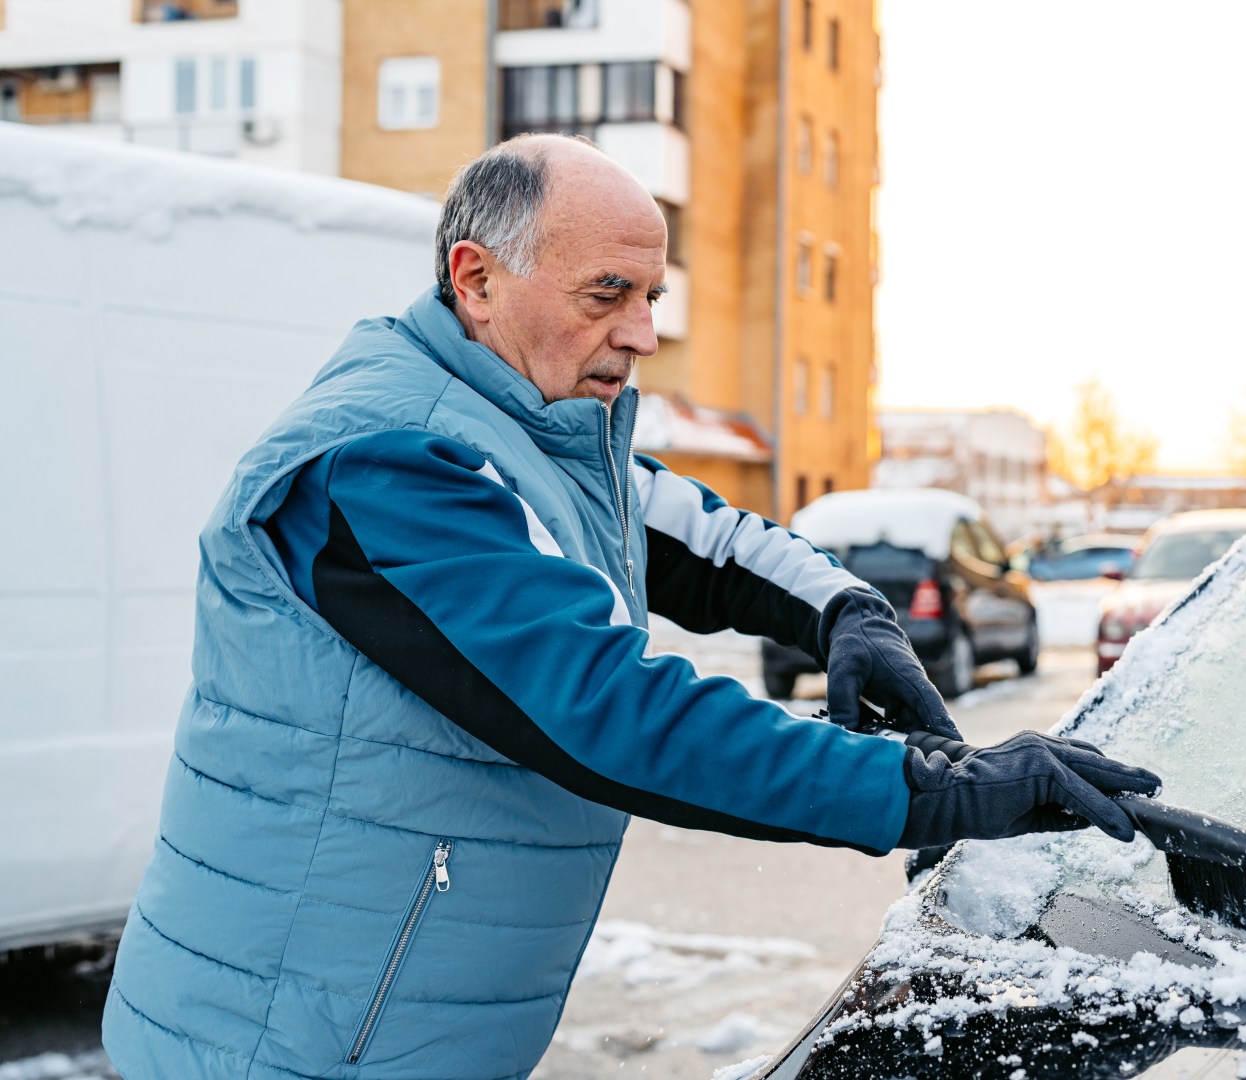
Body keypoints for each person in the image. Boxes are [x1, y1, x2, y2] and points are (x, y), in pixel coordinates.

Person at [100, 134, 1161, 1079]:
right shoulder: (391, 464)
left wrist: (846, 611)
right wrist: (931, 787)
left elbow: (702, 535)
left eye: (654, 296)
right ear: (477, 281)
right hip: (279, 1041)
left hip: (388, 1022)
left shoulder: (539, 425)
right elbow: (612, 716)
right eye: (607, 294)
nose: (644, 332)